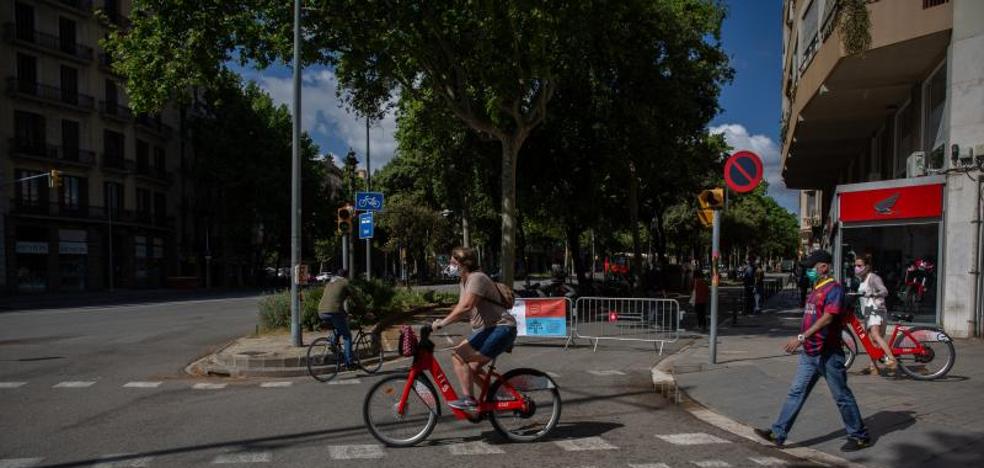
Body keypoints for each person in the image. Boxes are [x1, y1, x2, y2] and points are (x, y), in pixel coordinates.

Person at [755, 249, 871, 452]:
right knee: (796, 392)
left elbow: (827, 318)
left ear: (824, 267)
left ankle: (859, 436)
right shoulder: (816, 288)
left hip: (828, 353)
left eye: (812, 268)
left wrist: (801, 337)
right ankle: (778, 433)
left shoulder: (834, 289)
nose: (809, 271)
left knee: (841, 396)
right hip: (810, 353)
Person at [432, 247, 517, 410]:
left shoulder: (477, 278)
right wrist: (441, 320)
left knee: (458, 356)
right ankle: (499, 397)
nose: (450, 266)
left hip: (500, 328)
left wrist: (443, 323)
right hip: (486, 330)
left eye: (453, 262)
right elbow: (461, 307)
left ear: (464, 264)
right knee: (471, 368)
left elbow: (467, 306)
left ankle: (468, 399)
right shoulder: (464, 281)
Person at [855, 255, 897, 375]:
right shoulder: (862, 279)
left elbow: (884, 291)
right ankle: (873, 366)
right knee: (871, 342)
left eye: (859, 265)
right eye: (855, 265)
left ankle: (891, 358)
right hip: (868, 312)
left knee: (875, 335)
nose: (856, 268)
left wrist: (874, 294)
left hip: (876, 310)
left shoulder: (873, 278)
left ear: (867, 267)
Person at [317, 269, 357, 369]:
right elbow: (356, 298)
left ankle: (333, 344)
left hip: (321, 311)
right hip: (334, 312)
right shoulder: (345, 282)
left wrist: (345, 314)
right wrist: (365, 311)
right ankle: (349, 363)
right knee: (347, 336)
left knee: (338, 326)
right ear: (346, 276)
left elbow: (334, 301)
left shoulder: (329, 283)